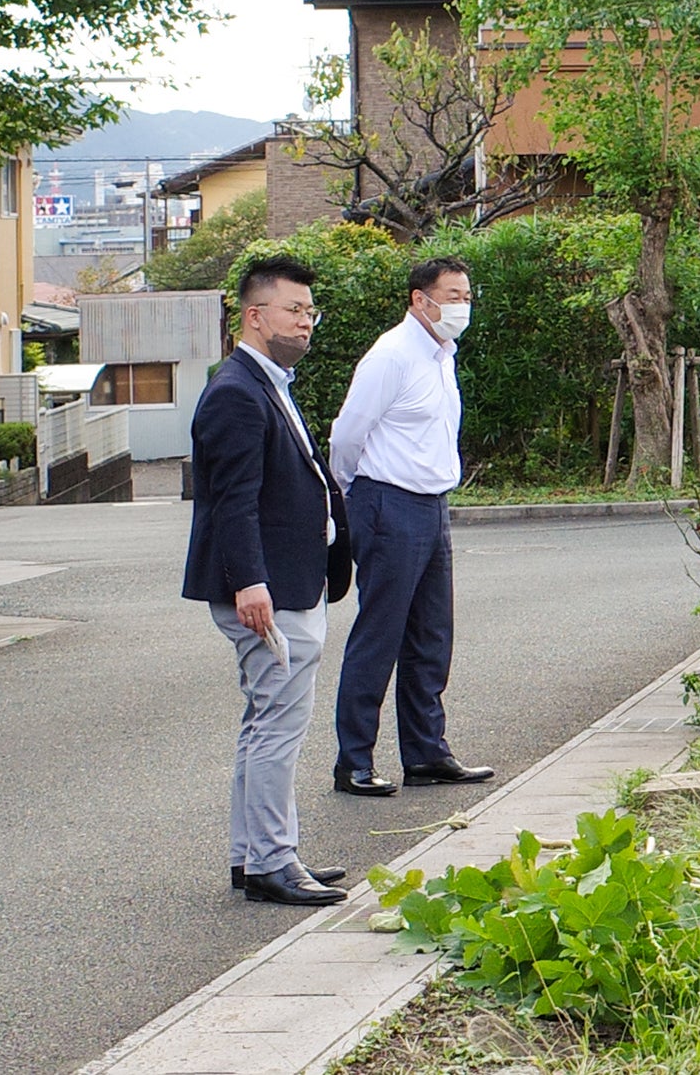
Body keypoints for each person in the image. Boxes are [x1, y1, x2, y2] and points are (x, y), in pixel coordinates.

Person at [182, 256, 352, 906]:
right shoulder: (235, 390)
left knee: (265, 722)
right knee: (277, 725)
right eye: (295, 310)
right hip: (269, 589)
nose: (307, 322)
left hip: (286, 581)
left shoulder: (267, 380)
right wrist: (250, 582)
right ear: (256, 316)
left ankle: (253, 856)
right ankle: (273, 862)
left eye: (311, 311)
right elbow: (232, 498)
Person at [328, 257, 493, 796]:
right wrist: (353, 493)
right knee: (381, 634)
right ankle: (353, 760)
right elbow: (347, 435)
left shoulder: (442, 354)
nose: (461, 306)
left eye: (467, 296)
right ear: (421, 300)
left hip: (431, 505)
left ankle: (425, 753)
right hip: (387, 502)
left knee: (430, 636)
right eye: (452, 295)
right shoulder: (392, 356)